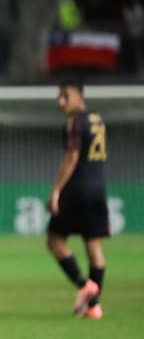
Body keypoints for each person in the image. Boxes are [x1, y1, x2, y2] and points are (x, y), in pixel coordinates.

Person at [46, 80, 109, 320]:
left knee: (54, 241)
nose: (60, 101)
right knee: (94, 247)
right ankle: (93, 306)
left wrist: (56, 191)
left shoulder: (76, 121)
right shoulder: (97, 120)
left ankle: (85, 286)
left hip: (77, 188)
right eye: (59, 96)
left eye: (66, 96)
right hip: (98, 187)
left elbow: (72, 158)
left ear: (81, 96)